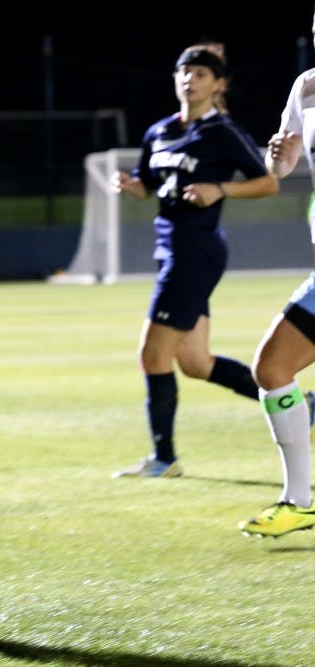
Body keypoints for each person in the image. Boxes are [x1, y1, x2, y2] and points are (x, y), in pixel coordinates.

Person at [110, 42, 281, 478]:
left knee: (152, 356)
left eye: (202, 74)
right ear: (175, 79)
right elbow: (149, 185)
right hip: (171, 250)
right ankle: (306, 405)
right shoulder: (159, 131)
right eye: (185, 72)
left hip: (194, 253)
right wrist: (131, 186)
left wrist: (220, 189)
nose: (191, 79)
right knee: (195, 362)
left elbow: (267, 183)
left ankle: (164, 459)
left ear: (219, 84)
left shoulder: (221, 132)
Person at [238, 12, 315, 538]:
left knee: (272, 365)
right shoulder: (306, 86)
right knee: (272, 368)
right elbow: (283, 164)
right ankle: (299, 502)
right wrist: (279, 160)